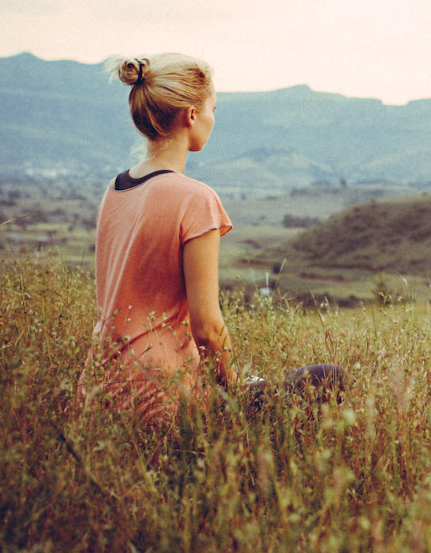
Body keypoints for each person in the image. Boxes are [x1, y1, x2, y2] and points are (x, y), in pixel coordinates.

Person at [78, 53, 341, 428]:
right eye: (212, 108)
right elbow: (208, 327)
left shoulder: (114, 189)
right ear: (190, 115)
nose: (213, 119)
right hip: (162, 394)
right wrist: (231, 389)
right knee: (328, 377)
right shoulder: (195, 199)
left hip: (97, 391)